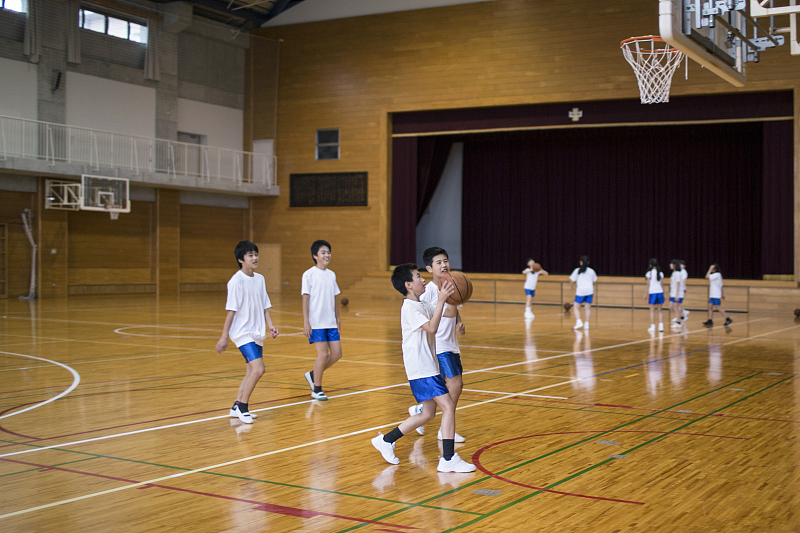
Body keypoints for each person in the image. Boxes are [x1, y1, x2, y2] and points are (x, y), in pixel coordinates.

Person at [371, 263, 475, 473]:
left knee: (427, 414)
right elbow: (432, 327)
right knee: (447, 407)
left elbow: (447, 313)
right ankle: (448, 458)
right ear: (409, 284)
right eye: (419, 276)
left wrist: (455, 295)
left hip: (428, 366)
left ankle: (386, 440)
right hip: (421, 367)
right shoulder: (409, 308)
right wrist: (443, 299)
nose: (423, 279)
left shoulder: (420, 305)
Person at [216, 240, 279, 424]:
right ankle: (243, 406)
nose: (255, 258)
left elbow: (265, 306)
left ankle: (236, 406)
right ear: (240, 259)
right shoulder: (236, 281)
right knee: (259, 369)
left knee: (250, 371)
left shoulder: (260, 279)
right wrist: (223, 337)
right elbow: (231, 311)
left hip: (256, 332)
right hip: (242, 333)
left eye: (255, 254)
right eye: (250, 255)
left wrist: (271, 325)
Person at [408, 247, 467, 442]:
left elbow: (453, 310)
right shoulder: (427, 291)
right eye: (439, 262)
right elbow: (431, 317)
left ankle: (421, 410)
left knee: (451, 386)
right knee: (455, 384)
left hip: (451, 343)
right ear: (429, 268)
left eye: (446, 261)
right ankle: (445, 429)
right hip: (438, 345)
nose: (444, 265)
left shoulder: (451, 285)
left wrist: (458, 322)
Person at [302, 240, 342, 401]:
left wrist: (338, 318)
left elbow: (334, 299)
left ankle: (313, 375)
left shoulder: (332, 275)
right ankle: (317, 388)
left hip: (331, 322)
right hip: (317, 322)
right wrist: (306, 322)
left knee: (337, 354)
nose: (327, 255)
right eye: (323, 252)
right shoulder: (309, 274)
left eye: (328, 252)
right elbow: (305, 299)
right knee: (323, 355)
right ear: (315, 256)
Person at [569, 255, 597, 330]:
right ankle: (586, 324)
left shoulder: (577, 270)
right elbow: (594, 281)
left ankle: (579, 322)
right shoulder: (591, 271)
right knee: (587, 308)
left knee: (576, 307)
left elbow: (572, 280)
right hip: (589, 291)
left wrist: (571, 286)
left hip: (580, 291)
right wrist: (593, 287)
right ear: (588, 262)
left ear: (580, 262)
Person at [645, 258, 665, 333]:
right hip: (659, 292)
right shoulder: (660, 273)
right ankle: (661, 326)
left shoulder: (649, 273)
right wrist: (664, 294)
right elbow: (662, 284)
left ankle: (653, 326)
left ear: (650, 265)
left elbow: (648, 285)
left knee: (652, 311)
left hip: (652, 292)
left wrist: (645, 294)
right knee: (660, 311)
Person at [668, 260, 685, 329]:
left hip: (678, 293)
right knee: (671, 307)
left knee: (676, 307)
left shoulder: (678, 273)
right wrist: (671, 292)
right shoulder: (674, 273)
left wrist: (677, 294)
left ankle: (678, 322)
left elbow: (678, 284)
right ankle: (681, 317)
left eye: (671, 264)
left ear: (675, 265)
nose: (670, 265)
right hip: (673, 293)